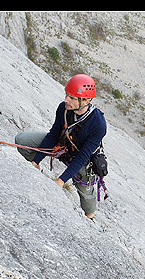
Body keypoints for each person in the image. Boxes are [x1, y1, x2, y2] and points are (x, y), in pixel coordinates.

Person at [15, 74, 107, 220]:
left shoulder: (98, 124)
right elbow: (53, 135)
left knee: (85, 193)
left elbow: (83, 156)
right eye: (67, 95)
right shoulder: (63, 108)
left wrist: (61, 181)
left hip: (82, 157)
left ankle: (90, 217)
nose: (66, 100)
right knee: (21, 140)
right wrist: (36, 161)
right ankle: (38, 169)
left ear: (86, 100)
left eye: (72, 98)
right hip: (63, 146)